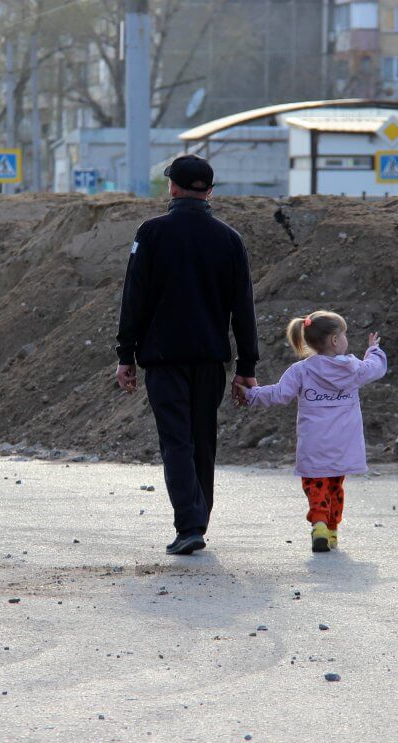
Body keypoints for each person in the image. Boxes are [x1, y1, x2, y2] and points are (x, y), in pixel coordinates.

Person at [115, 154, 259, 556]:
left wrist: (125, 354)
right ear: (210, 192)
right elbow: (243, 306)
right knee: (202, 439)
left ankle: (190, 524)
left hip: (163, 358)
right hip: (211, 360)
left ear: (173, 188)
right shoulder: (229, 239)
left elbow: (134, 298)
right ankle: (198, 520)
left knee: (176, 440)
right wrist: (246, 367)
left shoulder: (151, 233)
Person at [233, 310, 387, 553]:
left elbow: (278, 394)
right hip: (343, 446)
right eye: (344, 335)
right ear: (335, 340)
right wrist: (373, 350)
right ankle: (332, 530)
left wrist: (251, 395)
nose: (347, 340)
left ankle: (320, 525)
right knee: (336, 486)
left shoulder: (300, 370)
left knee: (316, 486)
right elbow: (375, 368)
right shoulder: (353, 368)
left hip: (314, 446)